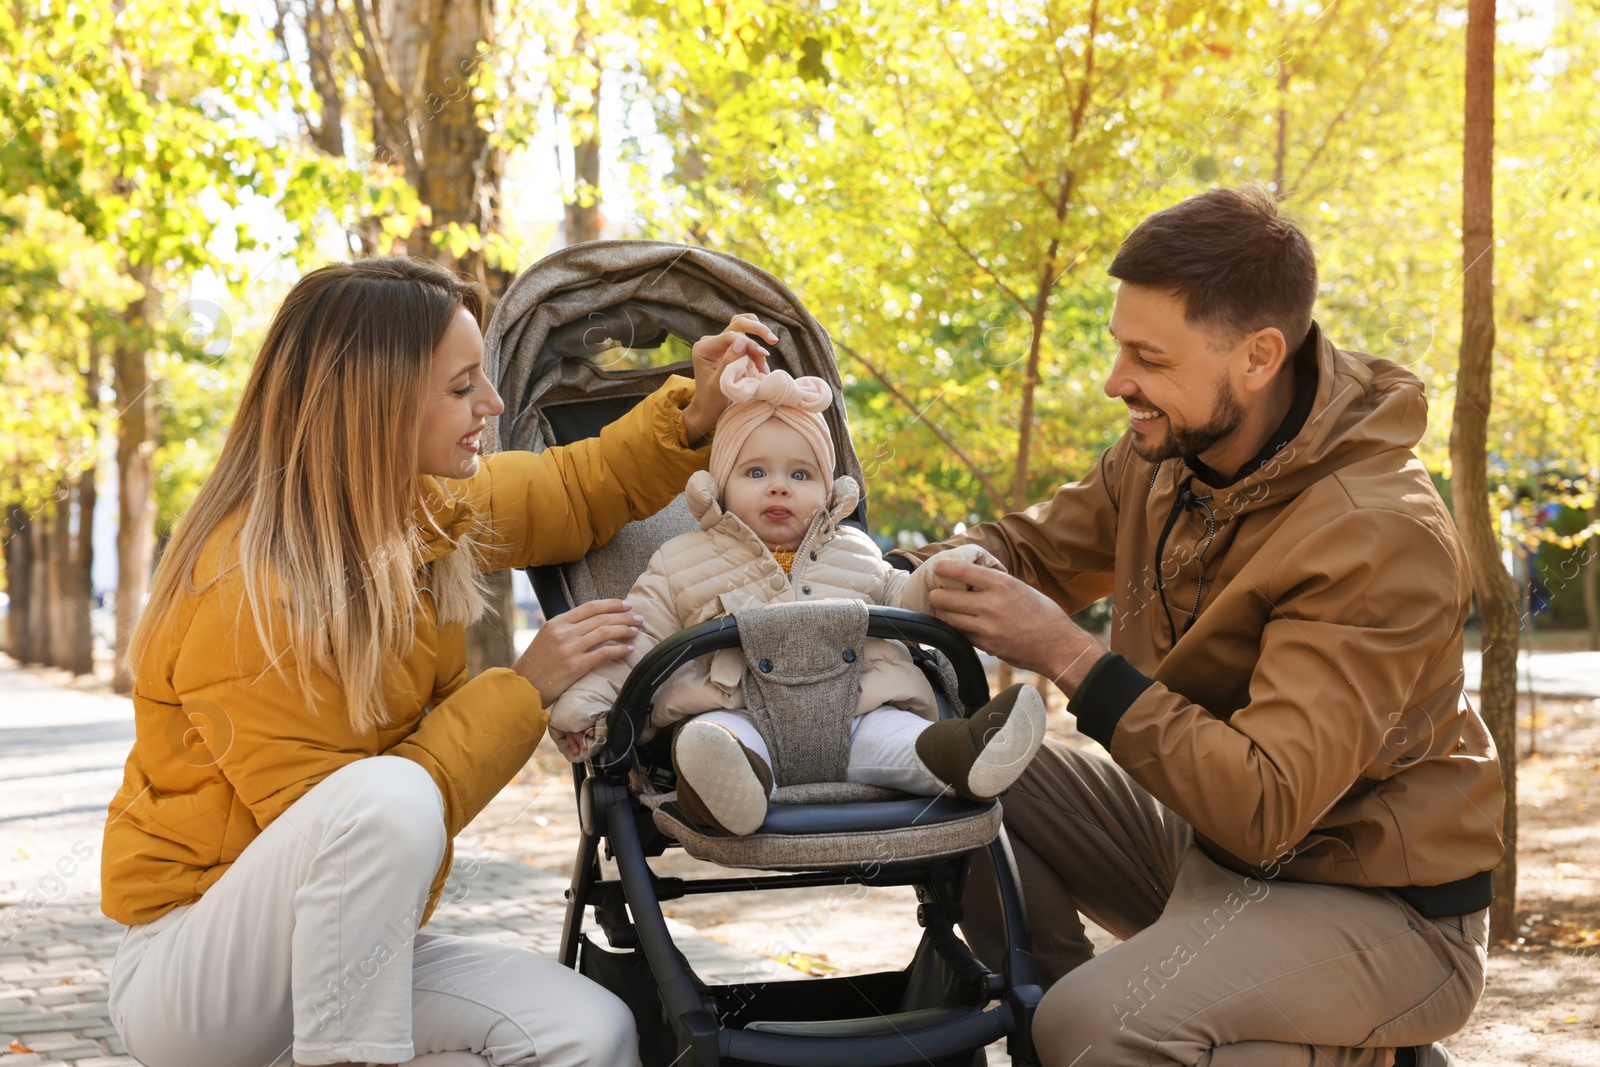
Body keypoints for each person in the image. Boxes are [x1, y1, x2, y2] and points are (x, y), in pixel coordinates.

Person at [100, 261, 768, 1067]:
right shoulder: (247, 581)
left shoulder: (422, 509)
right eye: (462, 387)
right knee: (387, 799)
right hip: (198, 979)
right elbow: (344, 831)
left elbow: (573, 487)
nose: (490, 405)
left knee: (589, 1031)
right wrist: (524, 692)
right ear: (373, 405)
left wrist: (696, 414)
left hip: (347, 953)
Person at [896, 185, 1504, 1067]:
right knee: (950, 771)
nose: (1117, 383)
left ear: (1258, 356)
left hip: (1386, 909)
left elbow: (1265, 806)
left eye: (1149, 356)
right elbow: (1023, 550)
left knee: (1097, 1027)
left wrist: (1068, 653)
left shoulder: (1376, 532)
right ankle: (1075, 1023)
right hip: (1211, 859)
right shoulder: (1169, 450)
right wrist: (957, 570)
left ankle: (1349, 1050)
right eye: (1118, 348)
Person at [547, 356, 1046, 835]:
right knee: (712, 740)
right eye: (756, 473)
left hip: (857, 715)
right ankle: (727, 793)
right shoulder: (680, 560)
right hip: (738, 715)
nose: (778, 488)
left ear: (829, 491)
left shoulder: (855, 550)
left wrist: (945, 575)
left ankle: (966, 756)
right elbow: (634, 639)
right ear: (720, 486)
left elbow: (904, 599)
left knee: (906, 742)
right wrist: (587, 709)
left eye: (800, 475)